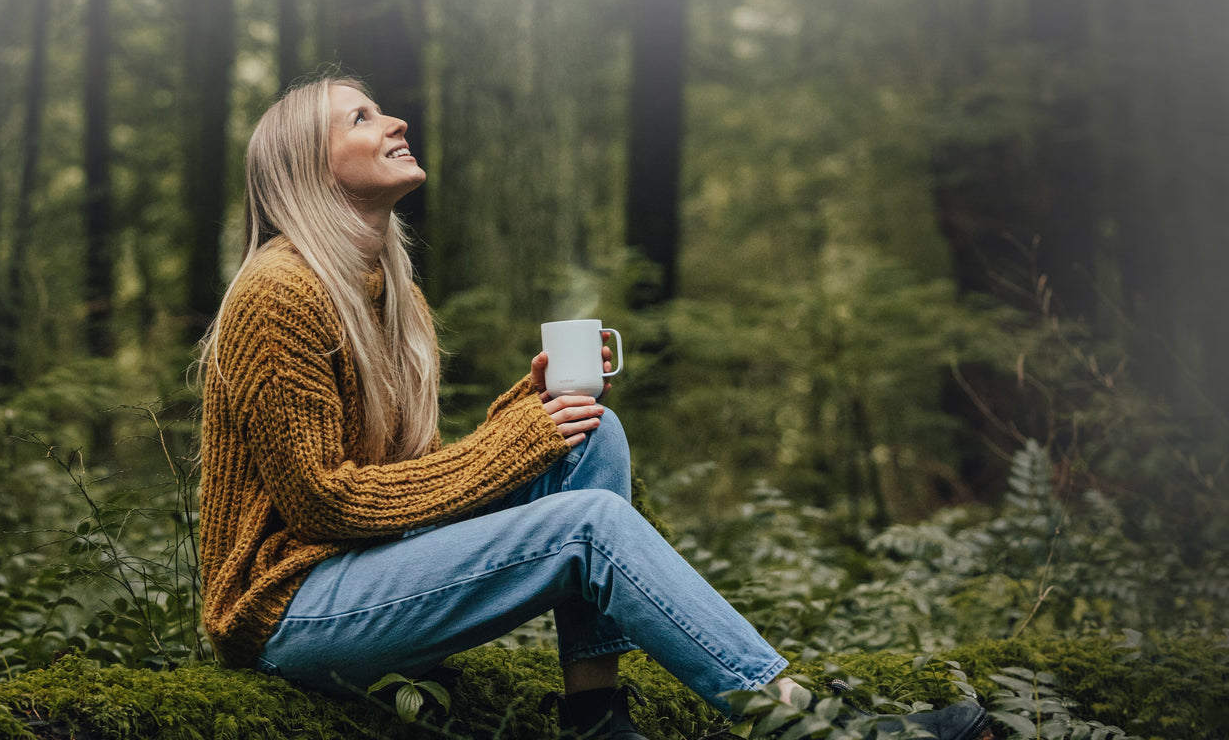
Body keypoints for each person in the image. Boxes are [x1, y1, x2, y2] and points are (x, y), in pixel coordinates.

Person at [194, 73, 990, 740]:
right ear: (309, 166)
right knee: (590, 525)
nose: (396, 119)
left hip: (361, 574)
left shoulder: (386, 292)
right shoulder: (281, 292)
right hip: (286, 611)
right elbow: (324, 501)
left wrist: (528, 412)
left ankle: (597, 716)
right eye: (362, 117)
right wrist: (514, 443)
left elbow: (406, 483)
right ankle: (804, 721)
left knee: (589, 436)